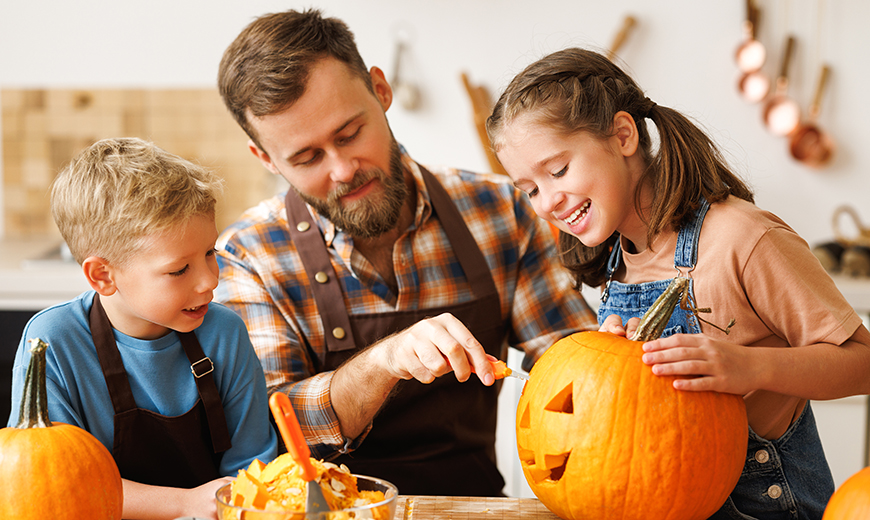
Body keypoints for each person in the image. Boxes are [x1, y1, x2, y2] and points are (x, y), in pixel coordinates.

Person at [214, 9, 597, 496]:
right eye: (307, 158)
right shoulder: (249, 256)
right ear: (265, 158)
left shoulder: (501, 213)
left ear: (381, 90)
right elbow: (272, 433)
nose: (342, 170)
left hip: (473, 507)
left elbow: (573, 371)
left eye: (350, 133)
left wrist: (609, 360)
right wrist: (384, 362)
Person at [486, 47, 870, 519]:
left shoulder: (741, 238)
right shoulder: (615, 257)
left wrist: (750, 367)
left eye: (558, 170)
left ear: (623, 135)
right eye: (530, 189)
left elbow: (862, 362)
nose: (547, 201)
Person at [7, 138, 278, 520]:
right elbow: (56, 487)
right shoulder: (52, 343)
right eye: (179, 270)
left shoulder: (224, 334)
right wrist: (184, 504)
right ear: (103, 275)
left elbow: (253, 466)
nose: (209, 282)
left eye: (209, 253)